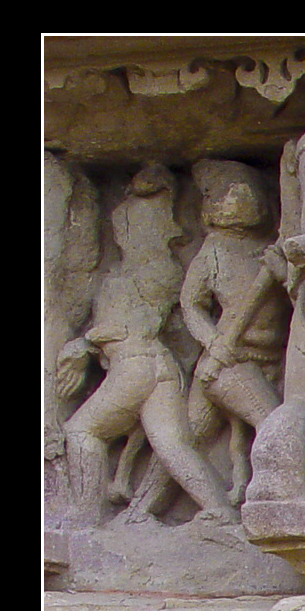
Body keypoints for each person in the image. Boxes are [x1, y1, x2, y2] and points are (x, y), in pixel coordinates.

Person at [57, 165, 237, 525]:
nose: (121, 234)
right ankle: (220, 510)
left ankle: (87, 517)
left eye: (130, 227)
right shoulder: (151, 272)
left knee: (81, 431)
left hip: (134, 366)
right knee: (173, 446)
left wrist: (87, 341)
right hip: (162, 370)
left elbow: (133, 328)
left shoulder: (147, 274)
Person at [180, 160, 288, 506]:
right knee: (274, 424)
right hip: (230, 361)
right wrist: (212, 342)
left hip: (277, 359)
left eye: (249, 192)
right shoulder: (214, 250)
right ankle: (275, 497)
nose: (240, 201)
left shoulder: (273, 248)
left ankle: (238, 497)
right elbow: (190, 304)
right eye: (229, 193)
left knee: (197, 439)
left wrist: (286, 274)